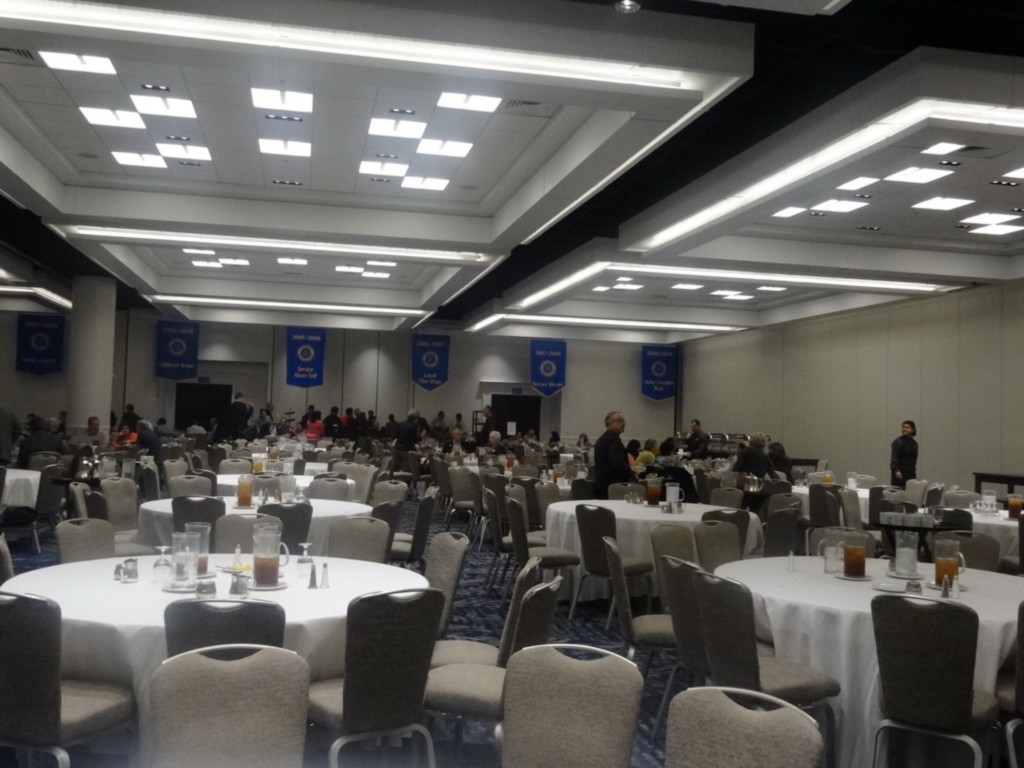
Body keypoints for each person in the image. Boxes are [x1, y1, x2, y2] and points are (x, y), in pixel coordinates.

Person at [593, 411, 630, 499]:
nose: (624, 423)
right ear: (609, 423)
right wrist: (631, 473)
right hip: (612, 489)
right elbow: (617, 463)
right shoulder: (613, 441)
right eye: (620, 420)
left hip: (601, 486)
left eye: (624, 421)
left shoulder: (602, 439)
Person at [890, 419, 918, 489]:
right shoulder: (898, 442)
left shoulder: (914, 443)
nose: (904, 429)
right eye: (903, 427)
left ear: (913, 429)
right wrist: (896, 470)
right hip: (900, 473)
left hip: (911, 473)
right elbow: (894, 458)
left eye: (907, 427)